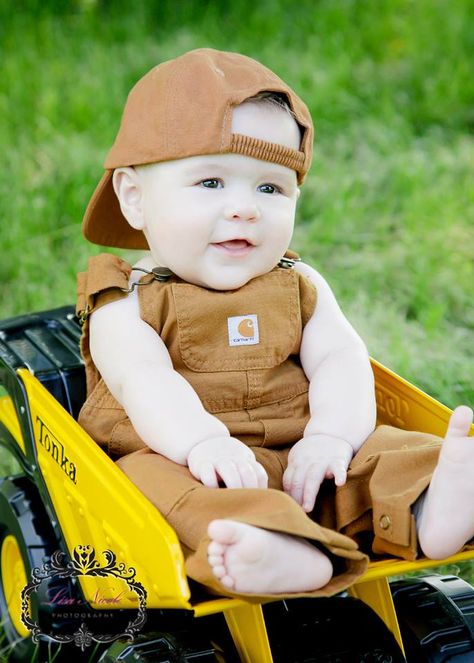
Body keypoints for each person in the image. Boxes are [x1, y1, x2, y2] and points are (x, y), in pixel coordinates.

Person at [76, 48, 474, 601]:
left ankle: (434, 500)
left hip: (308, 452)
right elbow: (144, 380)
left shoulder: (298, 281)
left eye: (270, 188)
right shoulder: (123, 301)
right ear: (135, 198)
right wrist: (203, 443)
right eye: (211, 182)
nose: (245, 208)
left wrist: (332, 435)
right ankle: (278, 545)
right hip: (189, 458)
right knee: (149, 487)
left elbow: (340, 357)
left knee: (384, 453)